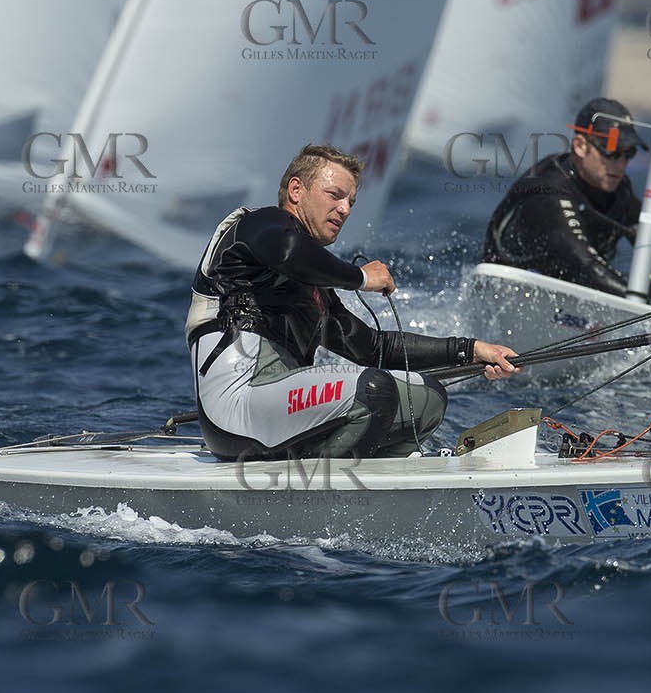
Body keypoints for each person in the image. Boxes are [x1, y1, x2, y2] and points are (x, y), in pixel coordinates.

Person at [187, 143, 519, 461]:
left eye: (351, 202)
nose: (345, 209)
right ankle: (326, 497)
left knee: (427, 398)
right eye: (335, 195)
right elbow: (288, 252)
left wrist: (471, 349)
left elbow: (374, 349)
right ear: (296, 190)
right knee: (372, 391)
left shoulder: (312, 288)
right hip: (235, 409)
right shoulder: (257, 227)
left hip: (278, 410)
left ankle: (380, 486)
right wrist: (360, 277)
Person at [481, 96, 644, 296]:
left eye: (629, 153)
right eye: (611, 152)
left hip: (571, 301)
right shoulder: (549, 193)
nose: (620, 165)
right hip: (511, 297)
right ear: (580, 146)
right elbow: (588, 266)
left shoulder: (619, 189)